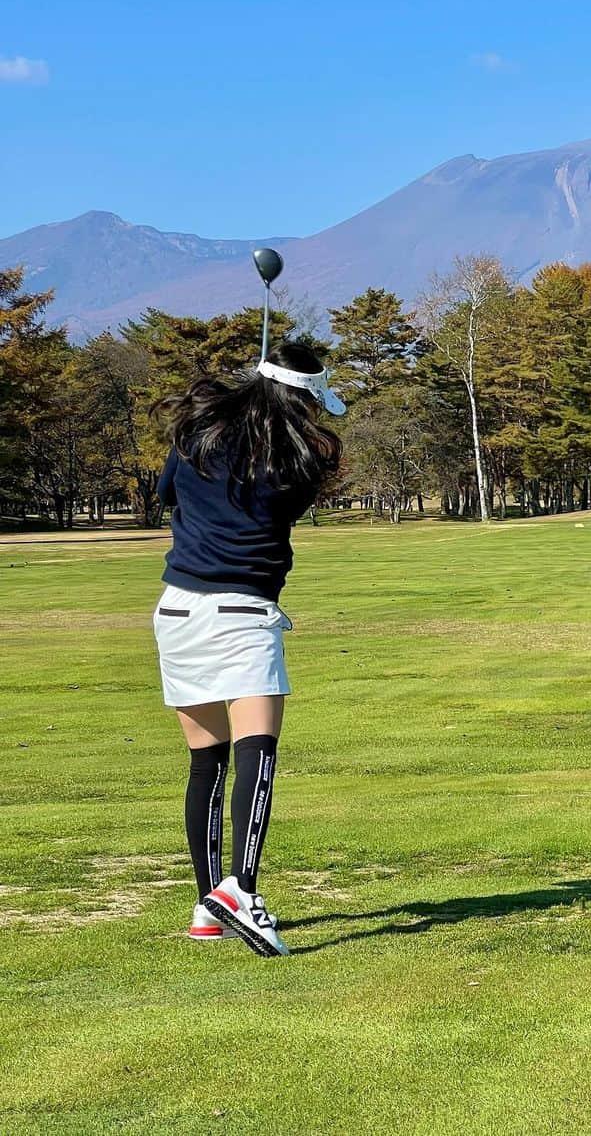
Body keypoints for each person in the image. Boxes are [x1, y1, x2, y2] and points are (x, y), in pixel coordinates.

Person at [150, 341, 344, 957]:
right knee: (257, 757)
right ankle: (243, 891)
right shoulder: (301, 460)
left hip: (176, 611)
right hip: (243, 613)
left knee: (207, 762)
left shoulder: (195, 439)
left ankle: (210, 904)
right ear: (304, 400)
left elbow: (168, 496)